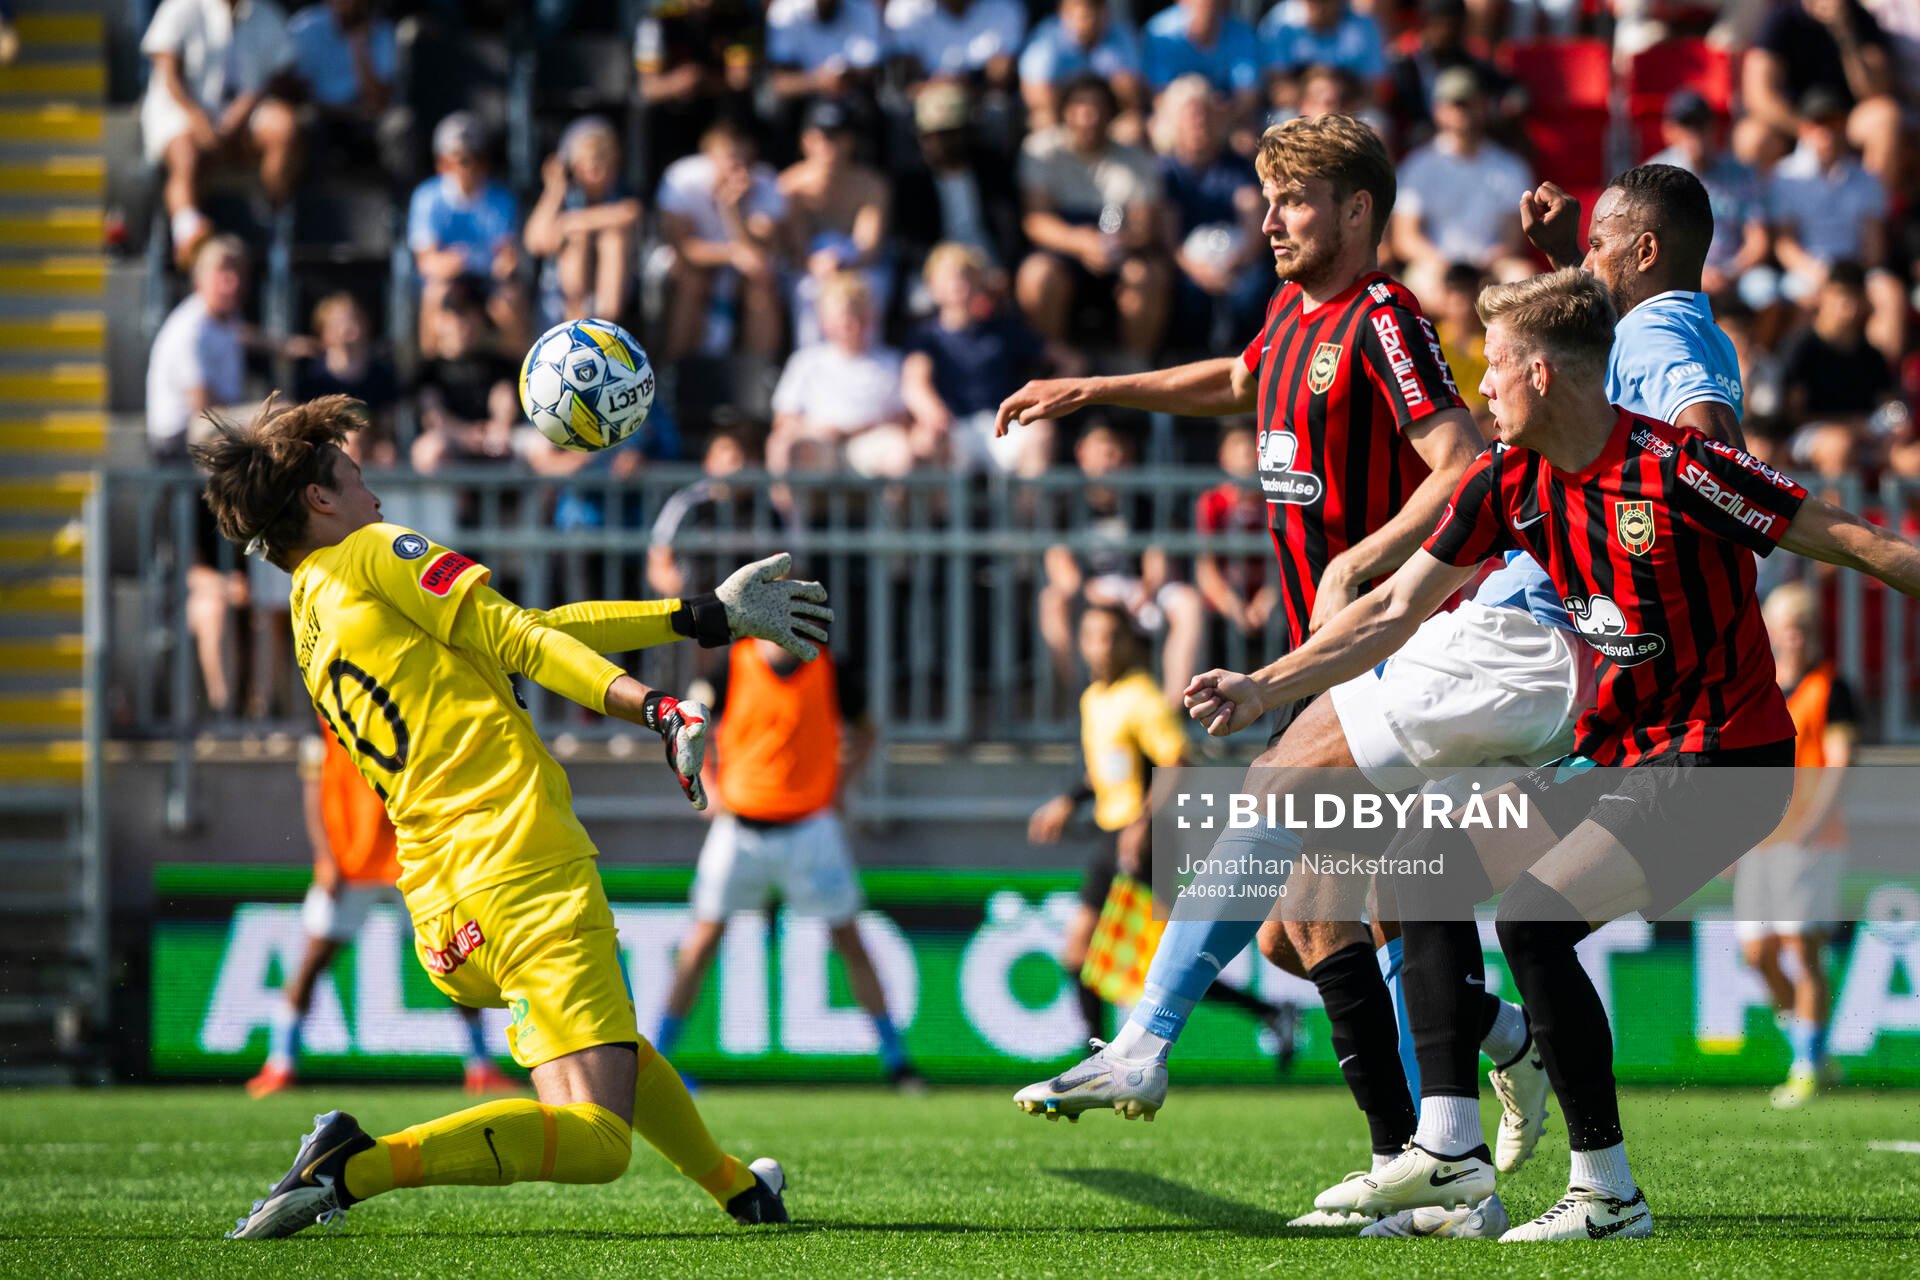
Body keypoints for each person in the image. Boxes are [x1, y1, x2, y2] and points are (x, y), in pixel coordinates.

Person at [1183, 267, 1920, 1242]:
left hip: (1724, 758)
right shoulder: (1505, 477)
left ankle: (1605, 1191)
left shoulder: (1679, 467)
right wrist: (1265, 685)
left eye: (1491, 368)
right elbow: (1395, 607)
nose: (1478, 388)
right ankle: (1447, 1147)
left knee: (1532, 919)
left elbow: (1858, 540)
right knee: (1422, 861)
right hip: (1611, 757)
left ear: (1540, 373)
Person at [204, 394, 832, 1237]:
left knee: (607, 1047)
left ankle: (736, 1187)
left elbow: (528, 630)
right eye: (356, 479)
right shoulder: (375, 550)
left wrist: (703, 617)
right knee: (599, 1142)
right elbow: (528, 644)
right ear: (320, 501)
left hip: (443, 899)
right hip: (522, 863)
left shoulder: (310, 617)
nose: (377, 497)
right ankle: (353, 1165)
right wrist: (657, 708)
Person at [997, 112, 1482, 1157]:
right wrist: (1096, 387)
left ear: (1358, 210)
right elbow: (1238, 379)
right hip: (1334, 663)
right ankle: (1476, 1097)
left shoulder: (1385, 317)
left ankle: (1150, 1038)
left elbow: (1461, 459)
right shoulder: (1293, 314)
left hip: (1393, 651)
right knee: (1303, 931)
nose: (1268, 219)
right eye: (1266, 199)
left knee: (1283, 836)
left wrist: (1363, 562)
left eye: (1293, 200)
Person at [1023, 605, 1295, 1061]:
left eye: (1110, 636)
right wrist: (1068, 801)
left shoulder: (1140, 698)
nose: (1099, 646)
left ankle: (1098, 1060)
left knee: (1159, 959)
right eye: (1091, 636)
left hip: (1143, 842)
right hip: (1113, 837)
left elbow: (1177, 762)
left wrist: (1142, 826)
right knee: (1089, 954)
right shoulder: (1095, 698)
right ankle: (1266, 1012)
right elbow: (1105, 770)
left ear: (1129, 643)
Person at [656, 637, 921, 1089]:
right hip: (739, 829)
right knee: (699, 944)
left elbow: (866, 730)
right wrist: (711, 786)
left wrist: (840, 786)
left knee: (850, 940)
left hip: (810, 829)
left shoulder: (830, 668)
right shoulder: (732, 665)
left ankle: (897, 1062)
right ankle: (656, 1061)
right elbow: (685, 724)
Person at [247, 720, 514, 1099]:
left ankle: (481, 1066)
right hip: (349, 865)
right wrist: (325, 857)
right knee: (313, 960)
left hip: (410, 861)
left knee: (455, 962)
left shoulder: (399, 705)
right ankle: (281, 1064)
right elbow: (314, 790)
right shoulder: (323, 720)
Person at [1735, 582, 1854, 1110]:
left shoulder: (1832, 687)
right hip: (1761, 840)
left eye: (1803, 624)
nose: (1794, 634)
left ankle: (1806, 1064)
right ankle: (1814, 1050)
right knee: (1756, 954)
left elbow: (1839, 761)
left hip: (1812, 839)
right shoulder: (1755, 687)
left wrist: (1812, 823)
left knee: (1802, 949)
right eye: (1786, 623)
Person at [150, 236, 252, 717]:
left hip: (216, 470)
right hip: (184, 458)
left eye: (237, 273)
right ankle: (223, 713)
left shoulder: (223, 326)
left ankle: (254, 712)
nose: (231, 283)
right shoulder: (190, 330)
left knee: (258, 604)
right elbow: (203, 414)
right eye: (222, 273)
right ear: (200, 280)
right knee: (214, 607)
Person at [1038, 421, 1206, 704]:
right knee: (1051, 600)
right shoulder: (1064, 505)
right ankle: (1085, 702)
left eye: (1115, 451)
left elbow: (1158, 562)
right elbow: (1060, 568)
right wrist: (1091, 594)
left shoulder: (1145, 504)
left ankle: (1170, 708)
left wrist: (1145, 591)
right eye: (1101, 450)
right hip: (1089, 591)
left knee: (1188, 602)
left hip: (1138, 591)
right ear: (1081, 453)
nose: (1109, 459)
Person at [1014, 75, 1170, 358]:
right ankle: (1052, 364)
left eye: (1097, 108)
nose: (1088, 117)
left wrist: (1112, 246)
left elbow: (1145, 226)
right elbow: (1036, 220)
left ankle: (1133, 369)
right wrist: (1081, 243)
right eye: (1079, 107)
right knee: (1036, 276)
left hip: (1120, 250)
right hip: (1062, 250)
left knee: (1147, 276)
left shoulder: (1135, 159)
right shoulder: (1041, 151)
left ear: (1111, 113)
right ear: (1064, 112)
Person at [140, 0, 302, 267]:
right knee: (185, 153)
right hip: (182, 111)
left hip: (243, 117)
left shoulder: (265, 13)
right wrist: (197, 118)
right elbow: (167, 73)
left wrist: (248, 103)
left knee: (284, 126)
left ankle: (270, 223)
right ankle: (188, 233)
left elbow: (282, 76)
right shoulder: (179, 7)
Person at [901, 243, 1054, 475]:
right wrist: (935, 415)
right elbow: (915, 382)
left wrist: (1040, 395)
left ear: (978, 284)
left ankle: (1026, 511)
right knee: (924, 440)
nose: (957, 284)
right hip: (952, 427)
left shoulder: (1005, 328)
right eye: (948, 278)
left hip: (1002, 423)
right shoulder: (925, 336)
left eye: (965, 276)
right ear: (932, 287)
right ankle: (945, 512)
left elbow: (1068, 359)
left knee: (1041, 434)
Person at [1390, 67, 1532, 306]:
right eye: (1456, 103)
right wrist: (1444, 265)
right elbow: (1405, 237)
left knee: (1523, 278)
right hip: (1436, 268)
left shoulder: (1510, 167)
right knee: (1415, 288)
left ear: (1483, 107)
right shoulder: (1418, 166)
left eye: (1469, 103)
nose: (1462, 111)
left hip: (1490, 268)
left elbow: (1512, 236)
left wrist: (1485, 264)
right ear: (1439, 110)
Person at [1154, 75, 1269, 351]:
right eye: (1191, 115)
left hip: (1236, 257)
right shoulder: (1166, 172)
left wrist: (1237, 262)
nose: (1199, 122)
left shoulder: (1238, 166)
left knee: (1251, 290)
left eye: (1205, 113)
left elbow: (1254, 219)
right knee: (1190, 295)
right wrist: (1197, 271)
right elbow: (1169, 237)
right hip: (1186, 262)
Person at [657, 120, 788, 361]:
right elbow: (684, 248)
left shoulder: (766, 182)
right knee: (691, 282)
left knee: (761, 280)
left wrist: (732, 210)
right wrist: (731, 254)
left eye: (743, 157)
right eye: (729, 155)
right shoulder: (682, 179)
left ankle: (758, 372)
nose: (736, 165)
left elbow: (761, 249)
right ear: (709, 155)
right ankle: (673, 369)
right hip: (695, 264)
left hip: (740, 268)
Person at [768, 272, 918, 478]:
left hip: (870, 444)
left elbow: (903, 417)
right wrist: (820, 430)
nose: (851, 325)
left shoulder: (891, 361)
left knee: (900, 450)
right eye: (843, 317)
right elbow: (784, 417)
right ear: (825, 321)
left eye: (858, 315)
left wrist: (861, 429)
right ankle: (795, 512)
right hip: (818, 443)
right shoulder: (805, 361)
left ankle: (890, 511)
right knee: (782, 445)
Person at [406, 112, 528, 359]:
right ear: (442, 163)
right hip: (449, 283)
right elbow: (428, 263)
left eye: (477, 158)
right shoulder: (426, 198)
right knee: (434, 297)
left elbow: (506, 260)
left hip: (487, 284)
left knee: (510, 303)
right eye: (462, 159)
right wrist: (473, 260)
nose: (470, 167)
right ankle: (428, 379)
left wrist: (461, 259)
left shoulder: (502, 199)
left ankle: (517, 374)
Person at [1741, 0, 1903, 185]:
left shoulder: (1861, 19)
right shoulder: (1781, 19)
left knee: (1885, 117)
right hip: (1793, 122)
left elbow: (1875, 90)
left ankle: (1870, 208)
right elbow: (1759, 95)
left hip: (1846, 122)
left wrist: (1845, 33)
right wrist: (1805, 130)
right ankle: (1765, 210)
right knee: (1751, 137)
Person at [779, 98, 893, 349]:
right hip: (808, 269)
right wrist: (816, 264)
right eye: (823, 136)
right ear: (807, 141)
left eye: (838, 136)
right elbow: (796, 249)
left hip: (854, 265)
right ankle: (809, 360)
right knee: (808, 290)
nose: (830, 146)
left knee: (872, 286)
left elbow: (868, 246)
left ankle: (866, 359)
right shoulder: (790, 186)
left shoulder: (871, 185)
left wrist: (841, 262)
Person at [1776, 262, 1896, 478]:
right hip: (1807, 437)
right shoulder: (1801, 346)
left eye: (1854, 296)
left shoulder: (1871, 354)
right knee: (1839, 445)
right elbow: (1793, 416)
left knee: (1911, 456)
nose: (1847, 304)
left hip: (1866, 435)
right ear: (1823, 295)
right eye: (1841, 294)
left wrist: (1894, 425)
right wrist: (1850, 426)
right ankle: (1836, 513)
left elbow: (1886, 404)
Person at [1646, 89, 1770, 298]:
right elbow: (1651, 244)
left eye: (1700, 125)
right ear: (1669, 131)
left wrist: (1728, 273)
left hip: (1734, 273)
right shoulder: (1654, 177)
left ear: (1713, 128)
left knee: (1766, 289)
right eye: (1686, 125)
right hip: (1676, 275)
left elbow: (1758, 241)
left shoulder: (1741, 174)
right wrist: (1696, 274)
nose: (1694, 133)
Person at [524, 116, 643, 328]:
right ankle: (577, 326)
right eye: (585, 164)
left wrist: (568, 223)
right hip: (561, 304)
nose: (594, 173)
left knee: (613, 237)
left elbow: (627, 213)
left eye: (602, 162)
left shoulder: (622, 194)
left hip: (613, 304)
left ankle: (603, 329)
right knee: (576, 241)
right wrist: (555, 190)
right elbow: (536, 242)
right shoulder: (566, 198)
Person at [408, 280, 520, 473]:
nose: (462, 324)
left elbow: (504, 400)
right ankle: (457, 504)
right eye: (455, 316)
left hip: (497, 439)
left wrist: (500, 427)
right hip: (453, 441)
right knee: (431, 451)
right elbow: (433, 415)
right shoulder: (429, 370)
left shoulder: (501, 364)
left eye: (470, 315)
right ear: (440, 321)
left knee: (540, 444)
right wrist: (466, 435)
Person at [286, 0, 403, 184]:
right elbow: (295, 91)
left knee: (399, 125)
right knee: (305, 121)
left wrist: (360, 46)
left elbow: (378, 103)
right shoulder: (305, 27)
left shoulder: (383, 32)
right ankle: (309, 204)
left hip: (365, 120)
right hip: (322, 114)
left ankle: (400, 205)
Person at [291, 293, 398, 465]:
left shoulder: (380, 373)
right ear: (324, 330)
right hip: (328, 445)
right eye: (338, 322)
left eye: (353, 319)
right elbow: (305, 423)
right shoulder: (312, 374)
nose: (347, 327)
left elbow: (387, 423)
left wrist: (383, 442)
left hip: (370, 444)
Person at [1191, 424, 1275, 636]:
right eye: (1237, 445)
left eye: (1251, 445)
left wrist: (1268, 599)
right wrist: (1233, 608)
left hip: (1270, 603)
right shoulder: (1211, 502)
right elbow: (1205, 568)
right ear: (1223, 456)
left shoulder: (1274, 502)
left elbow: (1284, 562)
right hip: (1225, 604)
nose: (1246, 452)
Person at [1017, 0, 1143, 132]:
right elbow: (1037, 97)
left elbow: (1130, 96)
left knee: (1132, 126)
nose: (1092, 18)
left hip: (1107, 118)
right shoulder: (1046, 38)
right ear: (1064, 12)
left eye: (1097, 9)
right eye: (1085, 13)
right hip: (1062, 118)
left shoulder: (1121, 34)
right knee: (1044, 118)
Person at [1141, 0, 1261, 126]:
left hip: (1226, 121)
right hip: (1175, 121)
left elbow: (1248, 97)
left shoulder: (1241, 33)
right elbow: (1158, 97)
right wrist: (1194, 113)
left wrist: (1212, 114)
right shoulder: (1160, 32)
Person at [883, 0, 1026, 88]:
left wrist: (966, 87)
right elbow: (902, 78)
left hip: (979, 98)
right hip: (921, 97)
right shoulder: (904, 9)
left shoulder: (1004, 8)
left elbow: (1001, 74)